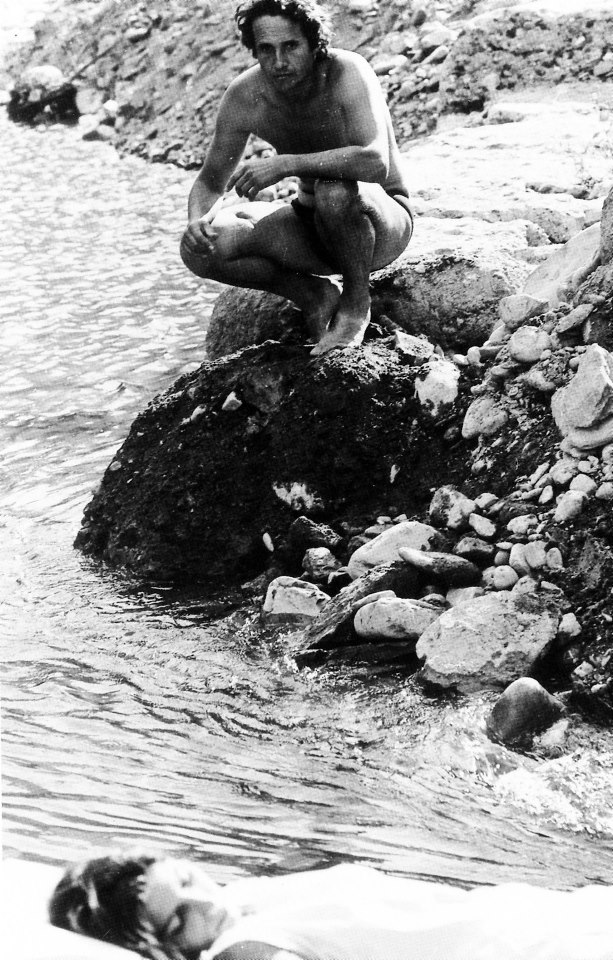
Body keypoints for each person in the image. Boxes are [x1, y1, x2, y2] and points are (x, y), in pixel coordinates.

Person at [179, 0, 414, 357]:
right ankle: (314, 295)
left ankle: (356, 304)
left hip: (378, 223)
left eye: (290, 46)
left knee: (333, 190)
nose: (279, 62)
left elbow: (374, 162)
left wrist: (286, 164)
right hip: (309, 225)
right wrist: (197, 220)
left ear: (314, 43)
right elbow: (211, 182)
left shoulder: (347, 71)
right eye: (266, 50)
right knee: (202, 248)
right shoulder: (245, 95)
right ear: (254, 50)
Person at [49, 851, 613, 960]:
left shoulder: (236, 902)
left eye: (188, 878)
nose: (205, 900)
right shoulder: (241, 952)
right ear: (162, 949)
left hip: (544, 916)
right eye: (179, 919)